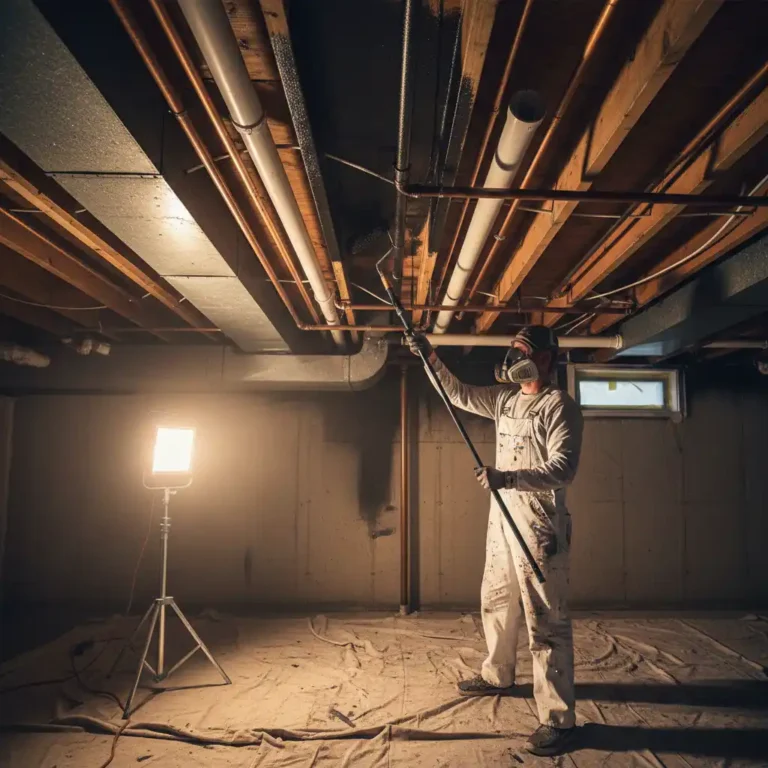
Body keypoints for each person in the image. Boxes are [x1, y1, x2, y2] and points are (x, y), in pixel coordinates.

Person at [409, 325, 583, 757]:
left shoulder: (558, 406)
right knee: (497, 595)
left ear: (544, 359)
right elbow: (458, 394)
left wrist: (508, 477)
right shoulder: (506, 399)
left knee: (546, 619)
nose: (512, 358)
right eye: (512, 350)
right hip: (503, 517)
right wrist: (427, 355)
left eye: (521, 351)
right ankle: (498, 673)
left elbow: (564, 468)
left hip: (539, 522)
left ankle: (559, 720)